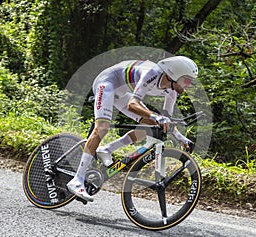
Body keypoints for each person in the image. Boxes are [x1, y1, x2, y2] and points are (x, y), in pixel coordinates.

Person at [67, 56, 198, 202]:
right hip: (107, 83)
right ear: (174, 74)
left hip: (123, 92)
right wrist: (157, 116)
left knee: (153, 125)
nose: (189, 85)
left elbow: (166, 121)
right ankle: (77, 179)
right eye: (187, 80)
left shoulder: (171, 91)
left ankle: (107, 149)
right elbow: (132, 104)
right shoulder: (152, 74)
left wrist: (181, 138)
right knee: (102, 127)